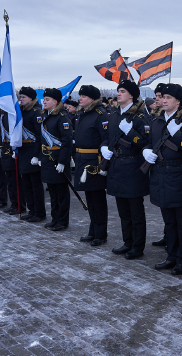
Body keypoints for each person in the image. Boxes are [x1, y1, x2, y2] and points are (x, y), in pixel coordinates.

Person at [144, 83, 182, 275]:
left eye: (168, 98)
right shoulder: (157, 121)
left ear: (178, 101)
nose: (163, 100)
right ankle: (171, 255)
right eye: (163, 97)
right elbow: (150, 143)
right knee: (169, 221)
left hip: (179, 175)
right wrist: (147, 153)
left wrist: (177, 134)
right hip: (160, 174)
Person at [101, 80, 151, 260]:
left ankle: (138, 246)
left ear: (131, 95)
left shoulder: (141, 117)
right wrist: (104, 147)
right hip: (116, 166)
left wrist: (131, 133)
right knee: (123, 210)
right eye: (118, 91)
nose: (118, 93)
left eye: (122, 91)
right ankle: (127, 242)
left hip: (133, 167)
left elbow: (146, 144)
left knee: (135, 211)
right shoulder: (114, 115)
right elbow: (107, 137)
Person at [75, 85, 109, 246]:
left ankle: (100, 233)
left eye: (84, 96)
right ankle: (93, 230)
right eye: (80, 95)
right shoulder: (83, 113)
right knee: (89, 197)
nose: (80, 98)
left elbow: (105, 139)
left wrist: (103, 165)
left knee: (98, 199)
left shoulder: (99, 114)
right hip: (83, 159)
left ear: (92, 99)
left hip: (94, 161)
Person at [40, 88, 73, 231]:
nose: (44, 102)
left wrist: (62, 162)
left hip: (58, 160)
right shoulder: (46, 116)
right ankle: (55, 218)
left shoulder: (62, 117)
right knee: (52, 192)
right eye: (44, 99)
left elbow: (66, 142)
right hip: (48, 159)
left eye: (47, 99)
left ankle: (62, 221)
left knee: (61, 193)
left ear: (55, 102)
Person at [18, 86, 46, 223]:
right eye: (20, 97)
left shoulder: (36, 112)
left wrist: (37, 155)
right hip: (23, 150)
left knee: (35, 185)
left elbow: (39, 136)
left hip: (33, 150)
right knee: (26, 184)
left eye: (23, 97)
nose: (21, 99)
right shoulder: (21, 111)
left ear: (31, 98)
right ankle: (32, 210)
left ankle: (39, 212)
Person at [150, 82, 167, 247]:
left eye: (161, 97)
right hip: (158, 168)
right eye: (157, 97)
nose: (158, 99)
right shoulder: (156, 118)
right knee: (164, 205)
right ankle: (167, 234)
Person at [0, 111, 26, 215]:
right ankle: (14, 203)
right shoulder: (3, 114)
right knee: (9, 180)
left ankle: (20, 205)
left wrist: (15, 148)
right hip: (5, 149)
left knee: (16, 181)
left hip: (13, 149)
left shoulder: (13, 114)